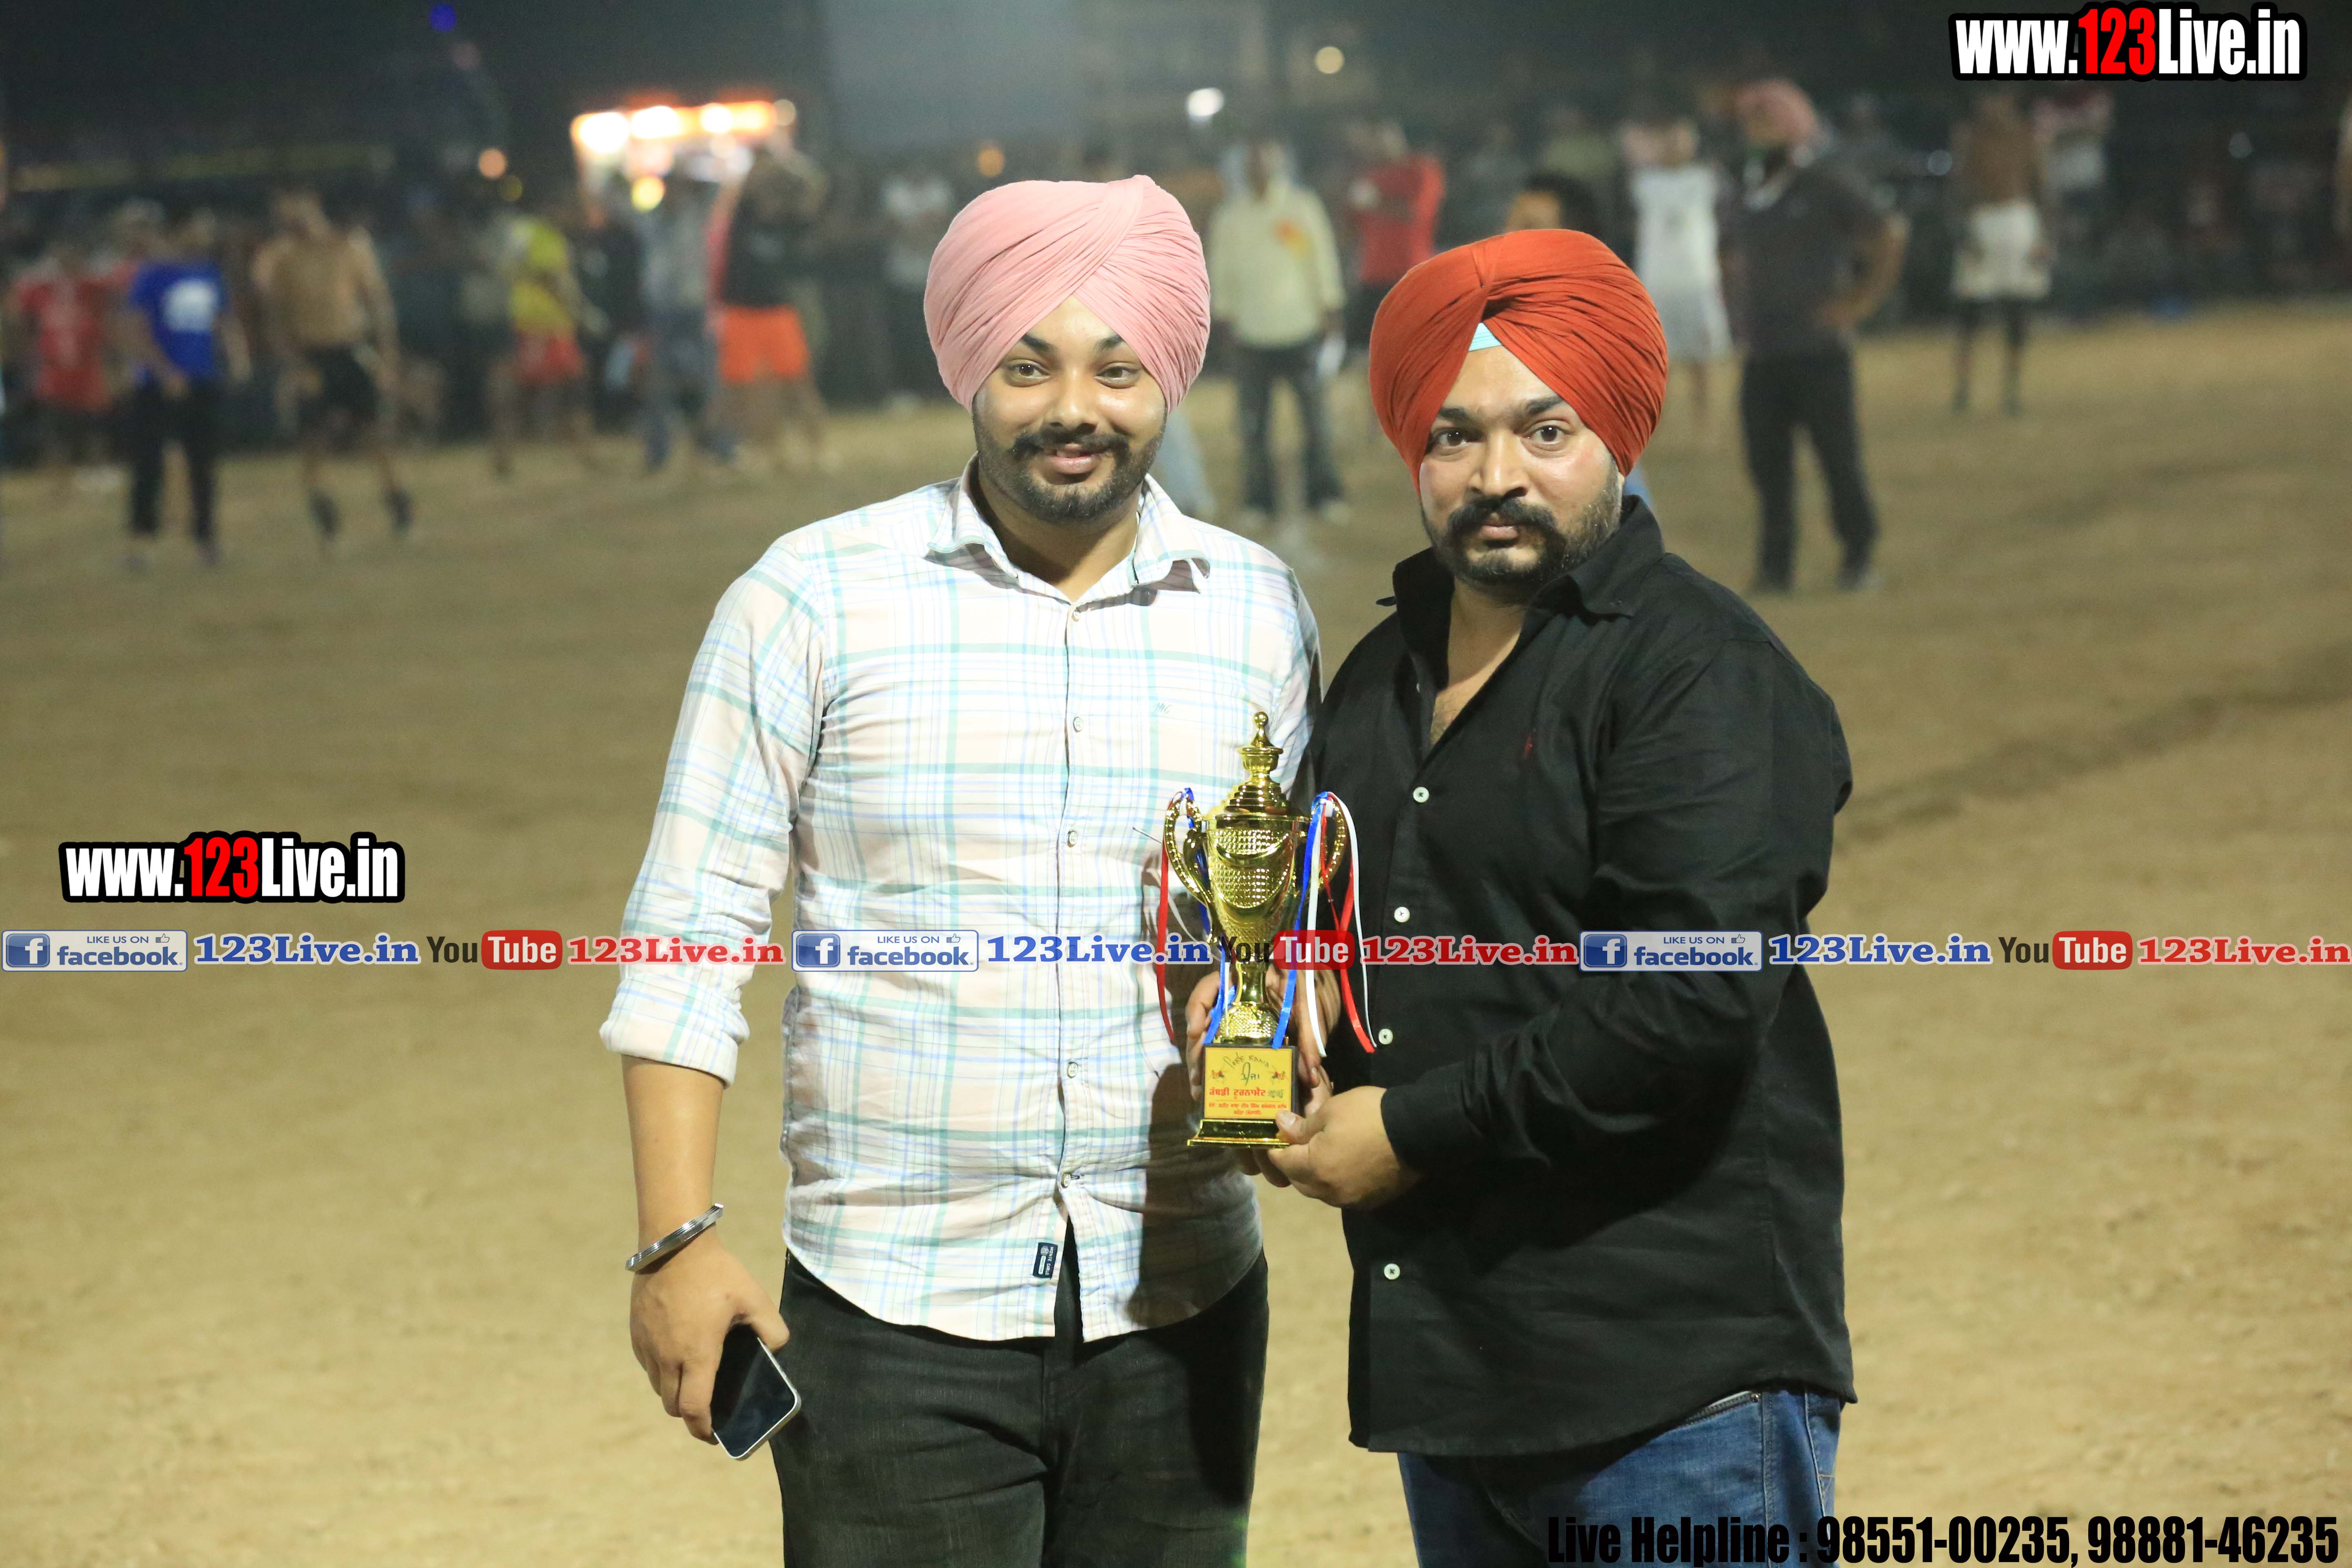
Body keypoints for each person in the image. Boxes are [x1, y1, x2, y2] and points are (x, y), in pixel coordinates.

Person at [605, 174, 1318, 1566]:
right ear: (968, 367)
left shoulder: (1257, 611)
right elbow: (689, 930)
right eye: (1027, 365)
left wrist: (1290, 1066)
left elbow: (1274, 933)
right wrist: (674, 1241)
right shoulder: (810, 598)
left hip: (1182, 1303)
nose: (1074, 409)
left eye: (1118, 368)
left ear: (1169, 376)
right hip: (891, 1312)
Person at [1221, 225, 1853, 1566]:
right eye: (1453, 436)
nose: (1496, 476)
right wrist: (1269, 1061)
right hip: (1460, 1384)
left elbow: (1680, 1007)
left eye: (1544, 431)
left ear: (1619, 437)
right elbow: (1328, 949)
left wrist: (1408, 1132)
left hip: (1671, 1390)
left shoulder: (1700, 676)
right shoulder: (1377, 681)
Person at [1720, 79, 1906, 595]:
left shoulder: (1824, 183)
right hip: (1763, 354)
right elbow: (1730, 256)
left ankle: (1858, 556)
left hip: (1819, 353)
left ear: (1793, 127)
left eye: (1765, 122)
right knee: (1767, 468)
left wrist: (1860, 303)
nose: (1754, 134)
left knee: (1838, 460)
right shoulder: (1745, 191)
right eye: (1749, 123)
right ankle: (1775, 568)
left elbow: (1888, 234)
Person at [251, 187, 412, 543]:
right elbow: (275, 319)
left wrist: (386, 355)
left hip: (350, 348)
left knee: (376, 433)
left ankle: (398, 504)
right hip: (311, 354)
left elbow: (377, 302)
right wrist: (295, 365)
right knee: (313, 441)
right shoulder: (279, 258)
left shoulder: (349, 247)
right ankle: (325, 515)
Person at [1208, 138, 1348, 539]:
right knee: (1254, 428)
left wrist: (1330, 306)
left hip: (1301, 330)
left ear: (1278, 165)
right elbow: (1220, 269)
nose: (1260, 170)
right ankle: (1259, 501)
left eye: (1266, 163)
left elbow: (1321, 257)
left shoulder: (1301, 207)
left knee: (1315, 422)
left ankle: (1325, 494)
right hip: (1251, 336)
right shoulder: (1230, 216)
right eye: (1253, 163)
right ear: (1243, 169)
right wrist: (1223, 318)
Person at [119, 209, 249, 569]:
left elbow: (224, 321)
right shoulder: (153, 275)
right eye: (198, 228)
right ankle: (140, 543)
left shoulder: (210, 273)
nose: (205, 236)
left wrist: (237, 357)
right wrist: (165, 372)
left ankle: (206, 541)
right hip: (156, 386)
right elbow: (135, 329)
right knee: (148, 466)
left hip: (202, 380)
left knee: (203, 465)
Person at [715, 152, 834, 472]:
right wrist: (768, 166)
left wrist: (790, 164)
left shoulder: (789, 223)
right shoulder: (743, 217)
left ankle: (818, 449)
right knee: (743, 388)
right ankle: (763, 451)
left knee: (798, 383)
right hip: (741, 313)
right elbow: (747, 187)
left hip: (777, 313)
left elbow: (817, 188)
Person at [1626, 117, 1733, 435]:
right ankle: (1656, 426)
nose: (1676, 147)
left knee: (1702, 357)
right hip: (1658, 284)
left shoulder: (1706, 179)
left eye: (1682, 140)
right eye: (1671, 140)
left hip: (1697, 281)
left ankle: (1704, 422)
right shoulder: (1645, 182)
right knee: (1658, 360)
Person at [1949, 90, 2051, 416]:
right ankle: (1963, 389)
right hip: (1982, 220)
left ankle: (2012, 390)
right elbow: (1959, 188)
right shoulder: (1969, 137)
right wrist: (1965, 233)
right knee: (1970, 311)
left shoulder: (2027, 136)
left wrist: (2043, 237)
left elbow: (2041, 187)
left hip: (2019, 221)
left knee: (2018, 309)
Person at [630, 172, 735, 475]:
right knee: (659, 382)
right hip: (661, 311)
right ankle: (659, 451)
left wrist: (693, 182)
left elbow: (718, 186)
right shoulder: (650, 219)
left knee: (707, 379)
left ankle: (718, 445)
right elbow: (611, 195)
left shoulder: (696, 213)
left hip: (693, 309)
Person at [493, 192, 603, 474]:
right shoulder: (535, 234)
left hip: (548, 325)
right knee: (528, 390)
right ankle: (505, 454)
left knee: (572, 386)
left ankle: (585, 453)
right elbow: (548, 278)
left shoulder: (538, 235)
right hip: (538, 326)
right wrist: (582, 312)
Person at [7, 231, 118, 496]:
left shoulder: (93, 284)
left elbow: (115, 302)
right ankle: (57, 478)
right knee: (56, 426)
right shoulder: (40, 286)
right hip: (54, 367)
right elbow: (18, 315)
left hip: (87, 366)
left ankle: (95, 471)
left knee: (93, 423)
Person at [1344, 120, 1446, 350]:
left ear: (1399, 139)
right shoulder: (1368, 177)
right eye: (1376, 141)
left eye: (1386, 138)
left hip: (1411, 272)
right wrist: (1346, 199)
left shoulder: (1422, 171)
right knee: (1369, 348)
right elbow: (1351, 228)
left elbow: (1415, 213)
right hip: (1373, 275)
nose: (1381, 146)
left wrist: (1375, 202)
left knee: (1417, 345)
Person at [878, 157, 957, 403]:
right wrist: (918, 230)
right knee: (906, 335)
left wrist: (913, 229)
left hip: (935, 276)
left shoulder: (938, 189)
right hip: (902, 275)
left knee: (938, 335)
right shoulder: (895, 190)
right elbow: (891, 226)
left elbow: (942, 224)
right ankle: (907, 390)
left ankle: (942, 388)